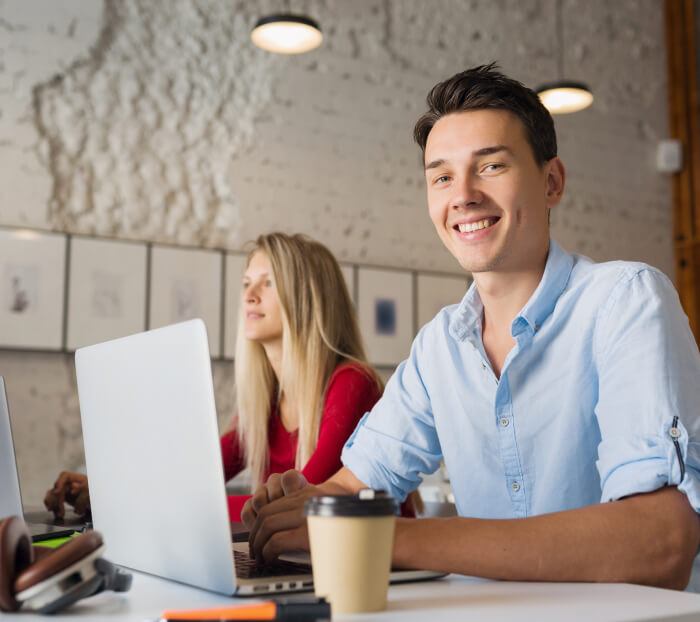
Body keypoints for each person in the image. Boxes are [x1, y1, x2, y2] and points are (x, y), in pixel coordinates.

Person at [242, 64, 700, 591]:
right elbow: (353, 484)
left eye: (490, 167)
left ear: (552, 183)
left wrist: (382, 538)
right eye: (441, 177)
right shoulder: (440, 345)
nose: (462, 195)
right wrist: (292, 509)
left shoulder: (626, 300)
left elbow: (660, 543)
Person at [45, 232, 397, 521]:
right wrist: (109, 493)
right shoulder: (267, 407)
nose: (249, 295)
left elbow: (297, 502)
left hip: (386, 572)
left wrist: (131, 505)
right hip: (307, 563)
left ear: (309, 299)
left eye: (268, 282)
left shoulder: (352, 383)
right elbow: (192, 480)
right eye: (246, 283)